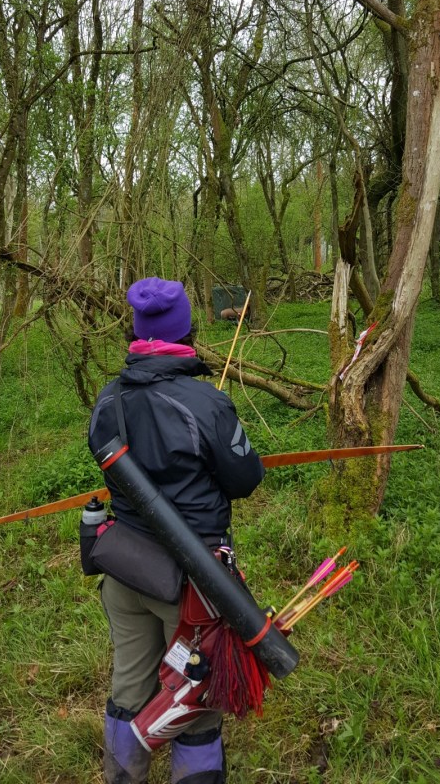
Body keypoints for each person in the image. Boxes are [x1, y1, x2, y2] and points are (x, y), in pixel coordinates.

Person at [88, 277, 265, 784]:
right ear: (185, 330)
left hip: (124, 573)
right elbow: (247, 478)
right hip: (192, 589)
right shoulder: (205, 403)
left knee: (128, 690)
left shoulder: (107, 400)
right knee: (198, 700)